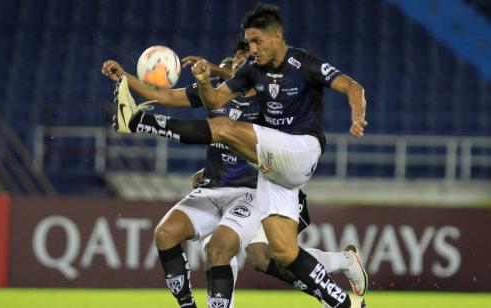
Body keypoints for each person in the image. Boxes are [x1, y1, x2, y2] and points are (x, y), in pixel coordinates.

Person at [113, 4, 368, 307]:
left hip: (300, 149)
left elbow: (352, 86)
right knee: (278, 254)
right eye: (248, 44)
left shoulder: (301, 64)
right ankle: (344, 301)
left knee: (221, 129)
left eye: (257, 42)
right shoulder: (249, 73)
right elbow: (214, 96)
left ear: (277, 35)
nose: (251, 50)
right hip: (271, 172)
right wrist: (205, 79)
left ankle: (140, 121)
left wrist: (357, 116)